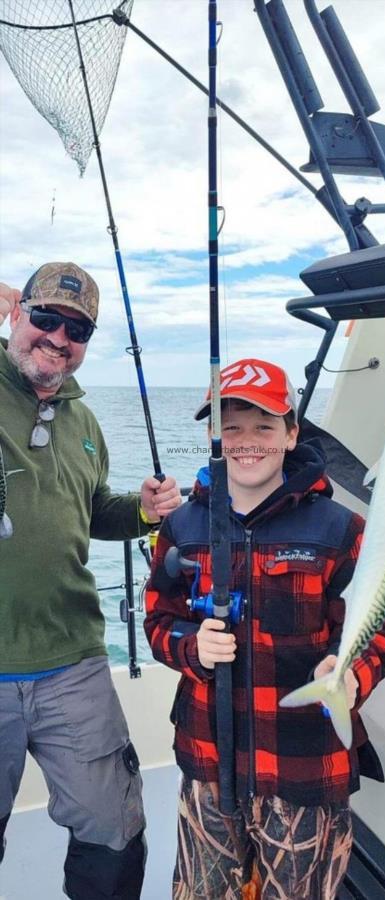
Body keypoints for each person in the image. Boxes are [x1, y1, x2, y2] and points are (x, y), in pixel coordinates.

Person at [144, 357, 385, 900]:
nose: (247, 441)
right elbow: (157, 619)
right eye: (231, 427)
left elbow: (377, 631)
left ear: (290, 434)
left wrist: (353, 672)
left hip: (306, 769)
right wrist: (191, 648)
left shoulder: (342, 528)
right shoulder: (183, 525)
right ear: (215, 435)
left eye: (264, 426)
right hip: (208, 762)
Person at [0, 262, 182, 900]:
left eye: (76, 328)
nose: (57, 336)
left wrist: (143, 509)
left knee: (115, 826)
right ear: (15, 314)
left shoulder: (85, 423)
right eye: (44, 317)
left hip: (72, 660)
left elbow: (92, 509)